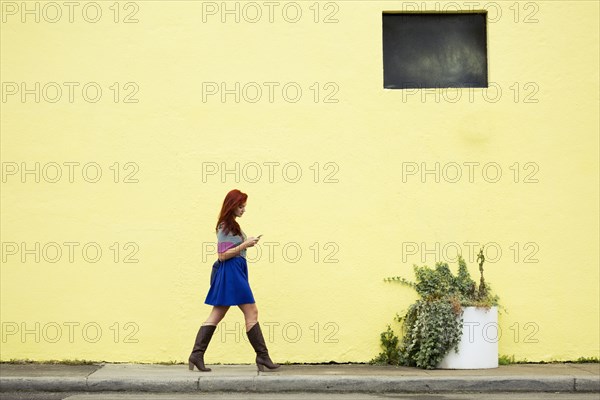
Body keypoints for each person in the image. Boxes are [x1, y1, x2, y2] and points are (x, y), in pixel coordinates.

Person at [188, 189, 280, 373]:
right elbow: (222, 255)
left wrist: (246, 244)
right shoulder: (224, 226)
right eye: (241, 206)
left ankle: (196, 354)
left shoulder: (232, 225)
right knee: (251, 311)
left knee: (217, 314)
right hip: (231, 272)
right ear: (232, 205)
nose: (243, 209)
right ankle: (262, 356)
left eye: (244, 206)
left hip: (236, 271)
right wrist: (246, 244)